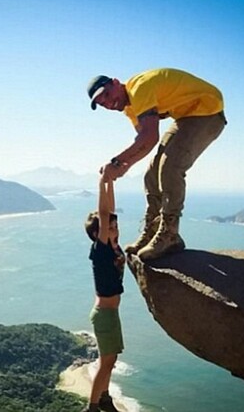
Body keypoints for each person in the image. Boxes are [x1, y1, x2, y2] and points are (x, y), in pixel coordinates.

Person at [87, 68, 227, 260]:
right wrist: (123, 168)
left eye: (107, 95)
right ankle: (152, 231)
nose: (109, 104)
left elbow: (150, 137)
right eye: (103, 104)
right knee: (151, 174)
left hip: (208, 111)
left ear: (116, 82)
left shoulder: (139, 89)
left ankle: (170, 235)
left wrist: (117, 162)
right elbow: (143, 145)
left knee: (170, 168)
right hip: (186, 116)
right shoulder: (130, 108)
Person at [83, 176, 126, 412]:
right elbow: (104, 212)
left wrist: (111, 183)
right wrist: (101, 182)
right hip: (104, 314)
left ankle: (106, 398)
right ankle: (92, 407)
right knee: (106, 362)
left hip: (111, 313)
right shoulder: (101, 250)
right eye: (110, 226)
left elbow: (109, 210)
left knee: (111, 361)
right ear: (97, 234)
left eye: (115, 225)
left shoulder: (114, 246)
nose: (114, 228)